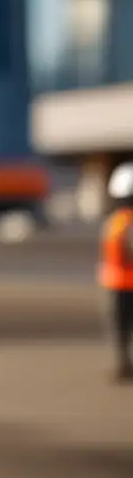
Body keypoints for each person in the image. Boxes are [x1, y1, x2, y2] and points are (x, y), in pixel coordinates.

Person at [99, 161, 133, 383]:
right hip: (123, 283)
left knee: (120, 329)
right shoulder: (124, 223)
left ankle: (122, 365)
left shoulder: (115, 222)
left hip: (116, 284)